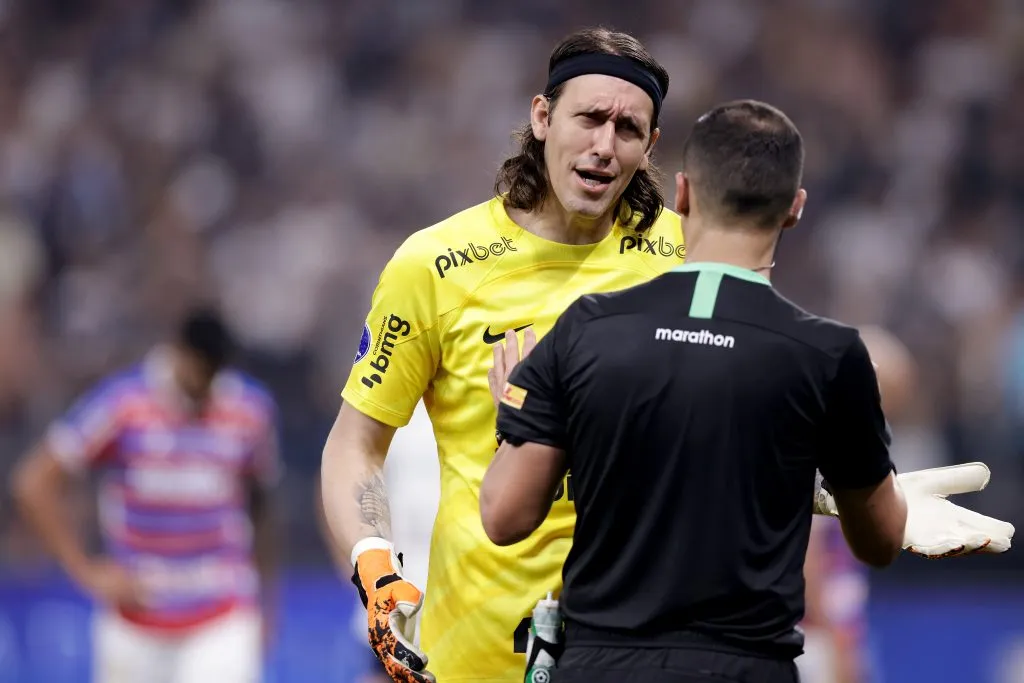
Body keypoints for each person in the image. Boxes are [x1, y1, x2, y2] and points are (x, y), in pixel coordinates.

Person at [481, 100, 1014, 683]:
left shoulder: (585, 327)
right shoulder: (827, 356)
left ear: (680, 195)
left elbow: (504, 516)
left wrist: (518, 416)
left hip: (602, 666)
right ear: (795, 209)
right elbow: (878, 541)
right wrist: (886, 503)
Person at [320, 26, 680, 683]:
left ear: (650, 147)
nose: (604, 145)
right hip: (475, 657)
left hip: (640, 652)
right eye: (590, 117)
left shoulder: (684, 256)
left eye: (628, 128)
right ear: (542, 117)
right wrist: (375, 565)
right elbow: (355, 443)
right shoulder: (434, 265)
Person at [11, 307, 280, 683]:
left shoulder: (250, 411)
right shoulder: (122, 405)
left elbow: (261, 506)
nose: (204, 386)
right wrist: (85, 570)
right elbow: (34, 482)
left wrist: (268, 602)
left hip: (222, 616)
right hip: (135, 622)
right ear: (178, 353)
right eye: (199, 373)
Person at [797, 325, 918, 683]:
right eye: (886, 397)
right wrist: (836, 643)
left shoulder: (847, 443)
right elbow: (808, 554)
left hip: (831, 634)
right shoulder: (815, 445)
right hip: (810, 641)